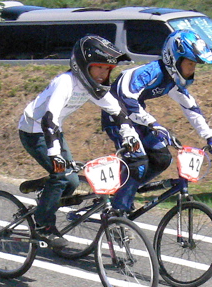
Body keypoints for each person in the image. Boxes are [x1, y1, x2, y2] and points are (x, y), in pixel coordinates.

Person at [18, 35, 140, 249]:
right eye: (99, 68)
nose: (103, 74)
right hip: (34, 131)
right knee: (62, 175)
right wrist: (55, 154)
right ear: (84, 65)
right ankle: (43, 225)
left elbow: (117, 111)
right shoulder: (66, 82)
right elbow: (49, 119)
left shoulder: (91, 85)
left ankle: (46, 193)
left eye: (108, 69)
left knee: (72, 182)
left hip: (53, 131)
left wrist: (129, 134)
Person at [102, 29, 212, 213]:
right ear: (174, 58)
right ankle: (116, 212)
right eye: (190, 63)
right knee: (138, 162)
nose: (192, 69)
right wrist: (155, 125)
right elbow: (127, 99)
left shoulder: (172, 80)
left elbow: (191, 108)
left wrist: (210, 137)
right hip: (117, 117)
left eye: (195, 65)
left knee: (161, 158)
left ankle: (125, 189)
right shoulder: (150, 72)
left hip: (137, 119)